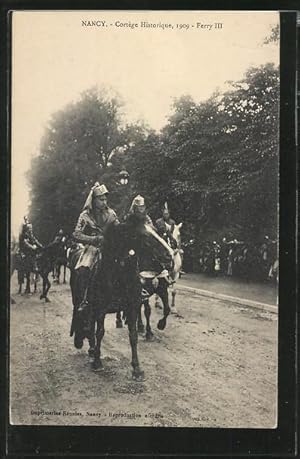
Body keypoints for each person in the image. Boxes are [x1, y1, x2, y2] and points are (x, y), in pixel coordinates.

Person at [72, 182, 119, 311]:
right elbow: (76, 234)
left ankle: (123, 295)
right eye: (101, 199)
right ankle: (84, 299)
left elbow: (119, 229)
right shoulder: (85, 215)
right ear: (94, 200)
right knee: (84, 269)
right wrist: (94, 239)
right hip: (93, 248)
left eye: (105, 199)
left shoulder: (112, 214)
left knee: (125, 262)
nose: (104, 202)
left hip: (110, 247)